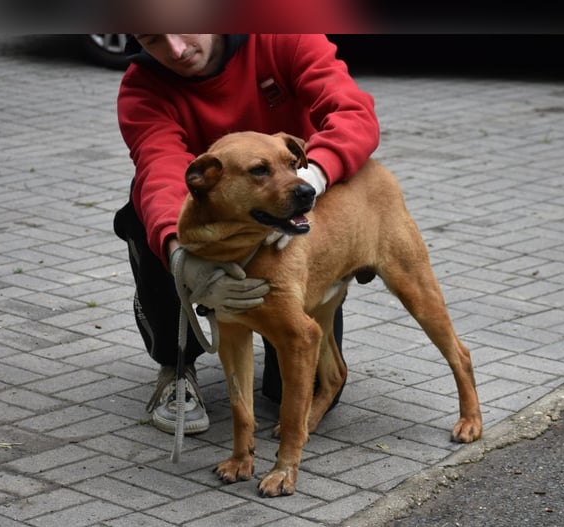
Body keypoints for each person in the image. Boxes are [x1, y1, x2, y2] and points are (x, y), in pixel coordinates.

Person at [114, 34, 380, 435]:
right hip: (213, 220)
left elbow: (353, 113)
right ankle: (176, 363)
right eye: (153, 40)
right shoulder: (142, 88)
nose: (177, 50)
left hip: (291, 216)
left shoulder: (282, 32)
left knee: (302, 382)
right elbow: (161, 172)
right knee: (143, 214)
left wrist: (314, 176)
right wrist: (182, 263)